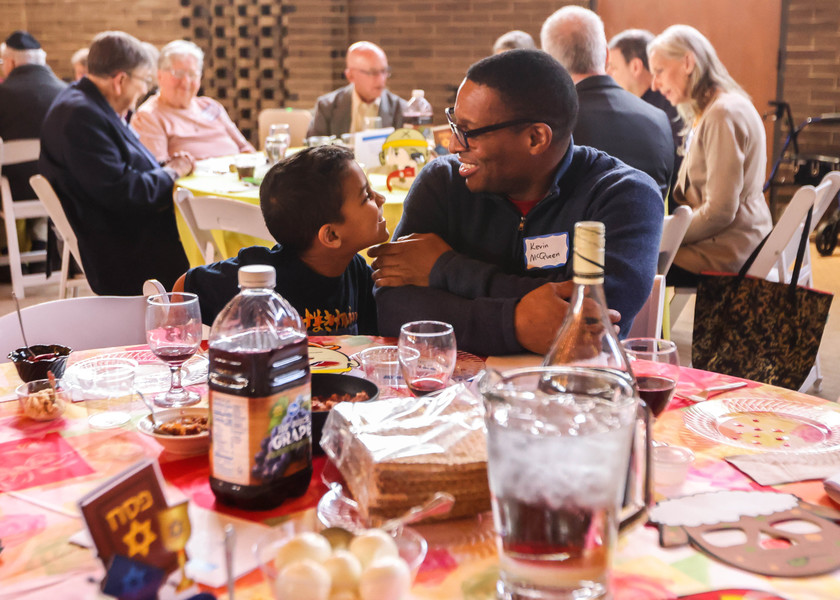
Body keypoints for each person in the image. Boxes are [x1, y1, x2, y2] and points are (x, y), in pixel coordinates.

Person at [368, 49, 663, 356]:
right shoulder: (442, 183)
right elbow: (391, 309)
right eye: (454, 124)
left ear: (536, 138)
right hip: (449, 392)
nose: (453, 146)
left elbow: (591, 319)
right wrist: (514, 324)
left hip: (574, 392)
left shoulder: (624, 196)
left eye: (468, 132)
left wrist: (446, 269)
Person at [39, 31, 194, 295]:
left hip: (126, 231)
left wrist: (160, 166)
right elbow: (124, 192)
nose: (145, 90)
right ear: (121, 80)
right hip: (126, 248)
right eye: (145, 81)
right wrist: (172, 172)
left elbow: (116, 169)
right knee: (215, 249)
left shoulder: (87, 104)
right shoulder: (81, 116)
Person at [174, 146, 388, 334]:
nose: (381, 198)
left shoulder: (357, 273)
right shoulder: (260, 276)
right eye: (366, 196)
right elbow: (184, 288)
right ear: (331, 235)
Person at [648, 25, 772, 286]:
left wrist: (662, 235)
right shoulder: (722, 107)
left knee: (631, 265)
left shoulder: (721, 114)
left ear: (688, 62)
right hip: (733, 240)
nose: (655, 84)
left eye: (659, 71)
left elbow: (719, 211)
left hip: (726, 250)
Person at [540, 6, 674, 199]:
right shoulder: (658, 118)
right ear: (606, 54)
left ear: (550, 61)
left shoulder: (550, 125)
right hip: (649, 227)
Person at [133, 39, 254, 162]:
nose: (186, 82)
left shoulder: (210, 106)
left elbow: (246, 149)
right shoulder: (148, 116)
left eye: (192, 74)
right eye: (178, 73)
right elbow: (161, 172)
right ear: (160, 76)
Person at [0, 30, 67, 250]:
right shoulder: (66, 92)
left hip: (13, 191)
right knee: (44, 172)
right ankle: (42, 243)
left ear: (10, 62)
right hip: (60, 188)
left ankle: (8, 252)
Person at [306, 41, 406, 138]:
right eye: (373, 72)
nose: (381, 79)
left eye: (384, 71)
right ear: (350, 76)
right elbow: (312, 151)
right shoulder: (327, 106)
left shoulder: (401, 109)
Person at [607, 29, 682, 148]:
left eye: (613, 68)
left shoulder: (672, 107)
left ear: (635, 67)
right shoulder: (625, 106)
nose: (607, 74)